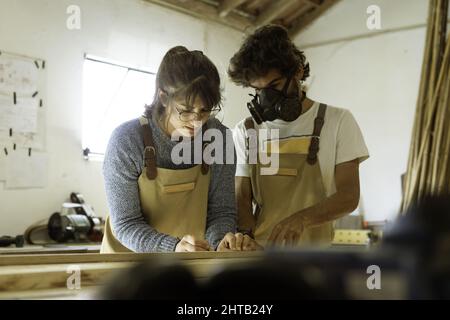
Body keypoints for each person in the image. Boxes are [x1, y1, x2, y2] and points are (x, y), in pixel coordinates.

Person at [101, 46, 258, 253]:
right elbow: (126, 224)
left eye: (205, 110)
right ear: (164, 98)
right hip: (128, 263)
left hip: (189, 259)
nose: (197, 121)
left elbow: (221, 212)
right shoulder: (127, 141)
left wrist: (221, 242)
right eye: (185, 110)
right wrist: (172, 247)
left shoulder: (220, 139)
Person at [229, 25, 369, 247]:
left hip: (316, 258)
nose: (268, 99)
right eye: (258, 91)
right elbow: (242, 197)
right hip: (260, 255)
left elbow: (349, 196)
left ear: (298, 72)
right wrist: (244, 235)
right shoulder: (246, 131)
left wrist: (302, 219)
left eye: (274, 86)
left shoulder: (338, 121)